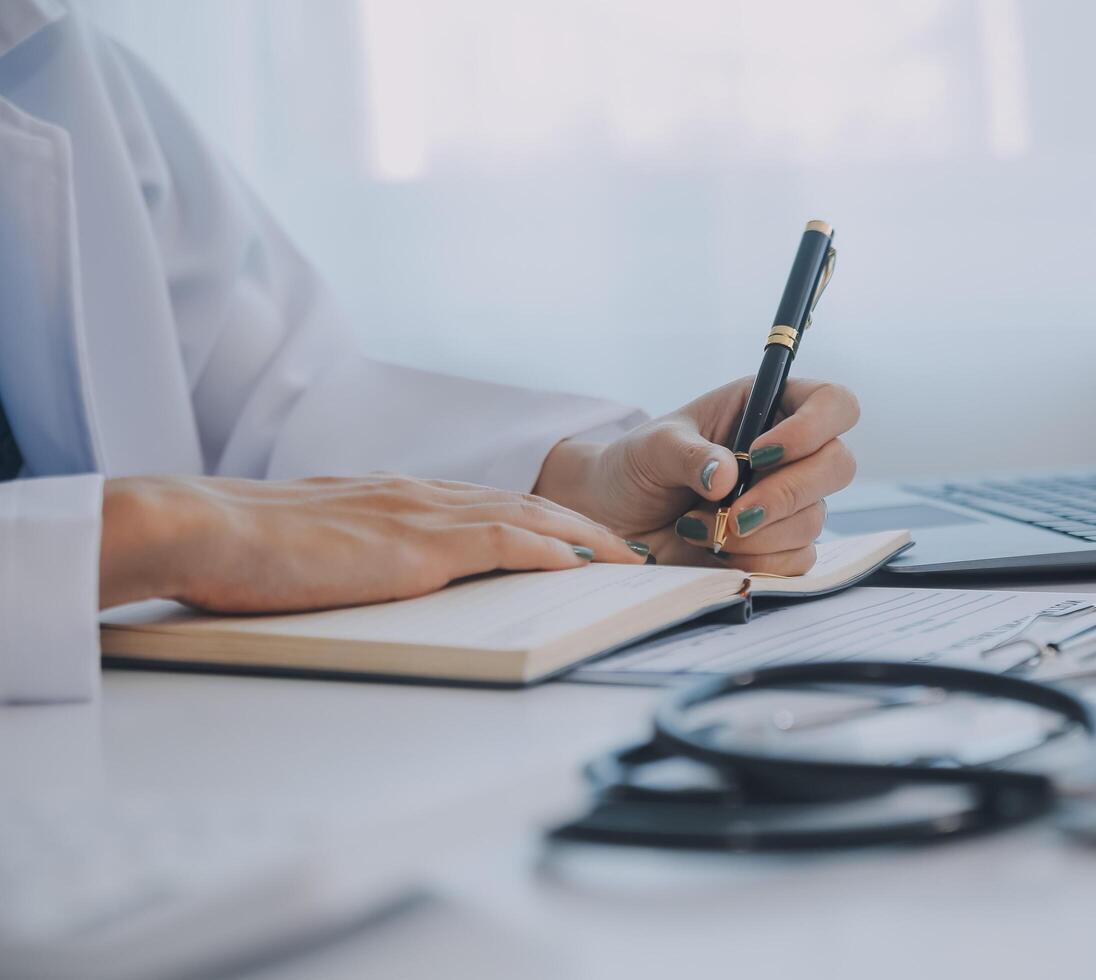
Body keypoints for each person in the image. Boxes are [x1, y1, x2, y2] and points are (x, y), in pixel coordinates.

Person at [0, 2, 858, 703]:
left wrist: (586, 489)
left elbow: (277, 406)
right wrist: (140, 533)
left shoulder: (61, 72)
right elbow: (212, 516)